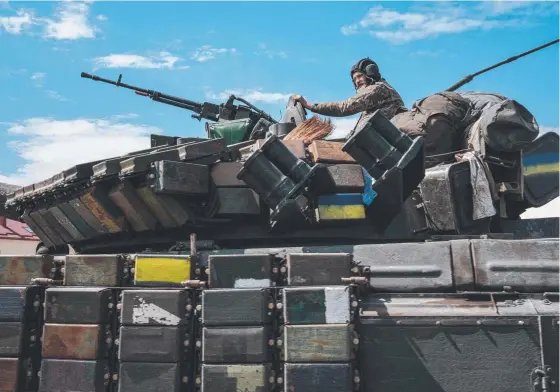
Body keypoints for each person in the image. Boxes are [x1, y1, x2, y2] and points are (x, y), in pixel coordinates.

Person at [291, 58, 408, 129]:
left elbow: (346, 107)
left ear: (370, 73)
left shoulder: (378, 89)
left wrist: (310, 106)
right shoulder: (373, 98)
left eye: (359, 76)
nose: (357, 81)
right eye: (354, 79)